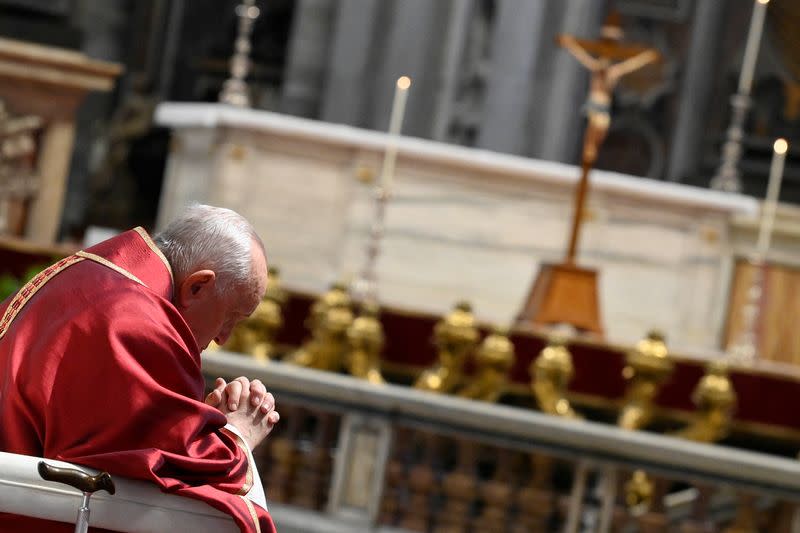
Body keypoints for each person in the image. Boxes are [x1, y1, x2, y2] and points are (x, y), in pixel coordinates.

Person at [0, 204, 280, 532]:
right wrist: (238, 435)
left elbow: (112, 428)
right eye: (230, 318)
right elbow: (153, 460)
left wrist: (187, 422)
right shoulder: (135, 317)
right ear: (197, 287)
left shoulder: (93, 273)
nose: (223, 337)